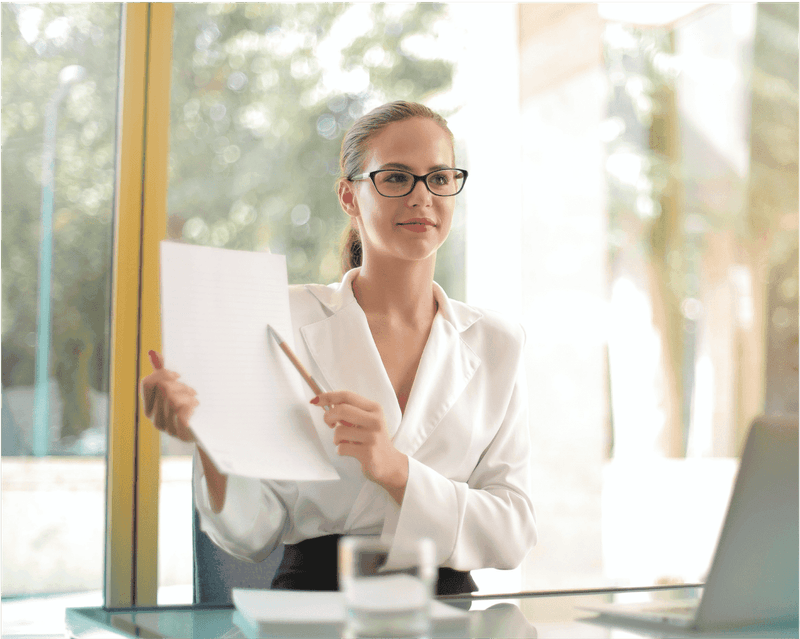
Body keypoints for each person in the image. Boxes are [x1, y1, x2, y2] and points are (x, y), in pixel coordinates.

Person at [140, 100, 536, 595]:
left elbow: (512, 531)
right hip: (314, 604)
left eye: (438, 177)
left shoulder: (497, 342)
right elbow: (251, 533)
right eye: (395, 178)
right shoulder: (279, 323)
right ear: (349, 196)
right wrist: (209, 438)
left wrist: (395, 470)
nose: (422, 197)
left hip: (450, 612)